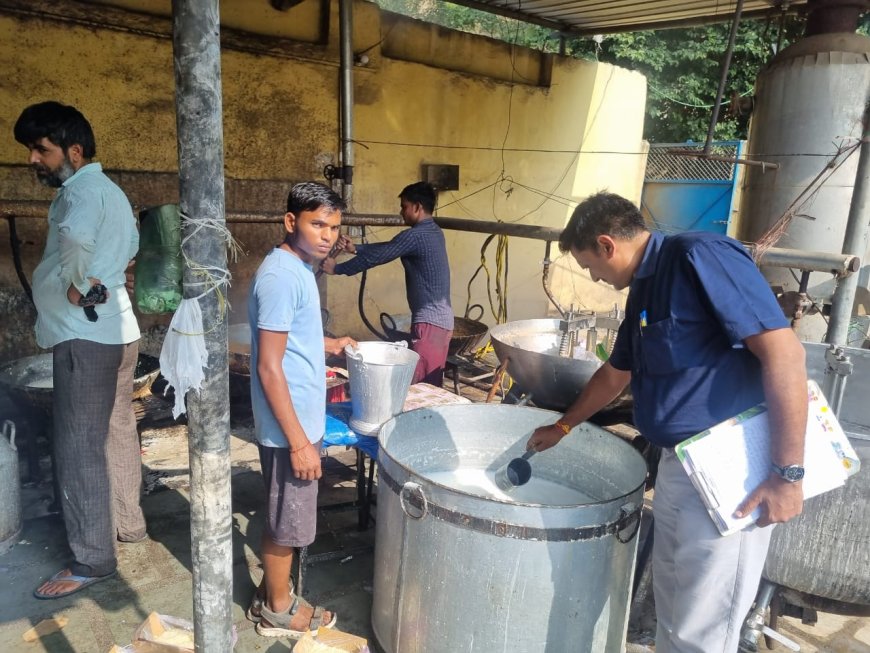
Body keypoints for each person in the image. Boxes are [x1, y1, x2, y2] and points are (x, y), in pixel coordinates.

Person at [527, 192, 807, 653]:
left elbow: (785, 354)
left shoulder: (698, 256)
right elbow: (615, 373)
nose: (593, 276)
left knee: (707, 625)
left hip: (730, 468)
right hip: (678, 464)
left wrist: (787, 474)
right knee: (673, 607)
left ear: (606, 244)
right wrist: (563, 426)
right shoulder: (643, 288)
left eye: (589, 265)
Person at [14, 101, 146, 599]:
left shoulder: (81, 194)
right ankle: (128, 525)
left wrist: (78, 285)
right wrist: (98, 280)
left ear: (73, 150)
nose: (33, 159)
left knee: (77, 444)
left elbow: (73, 239)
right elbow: (130, 245)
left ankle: (91, 558)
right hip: (118, 328)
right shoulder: (111, 191)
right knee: (115, 429)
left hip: (84, 332)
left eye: (40, 150)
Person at [247, 181, 357, 638]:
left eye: (333, 226)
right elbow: (269, 367)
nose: (327, 235)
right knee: (285, 524)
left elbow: (291, 338)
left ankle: (277, 595)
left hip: (301, 421)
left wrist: (328, 345)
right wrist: (298, 443)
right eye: (317, 224)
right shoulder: (279, 276)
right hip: (287, 428)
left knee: (287, 518)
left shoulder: (300, 270)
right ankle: (277, 610)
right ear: (290, 222)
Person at [321, 181, 454, 386]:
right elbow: (393, 247)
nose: (401, 212)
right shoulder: (433, 231)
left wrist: (337, 269)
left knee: (423, 386)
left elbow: (379, 257)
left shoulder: (415, 235)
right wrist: (355, 248)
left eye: (404, 206)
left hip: (430, 323)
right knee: (428, 382)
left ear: (417, 207)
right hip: (439, 321)